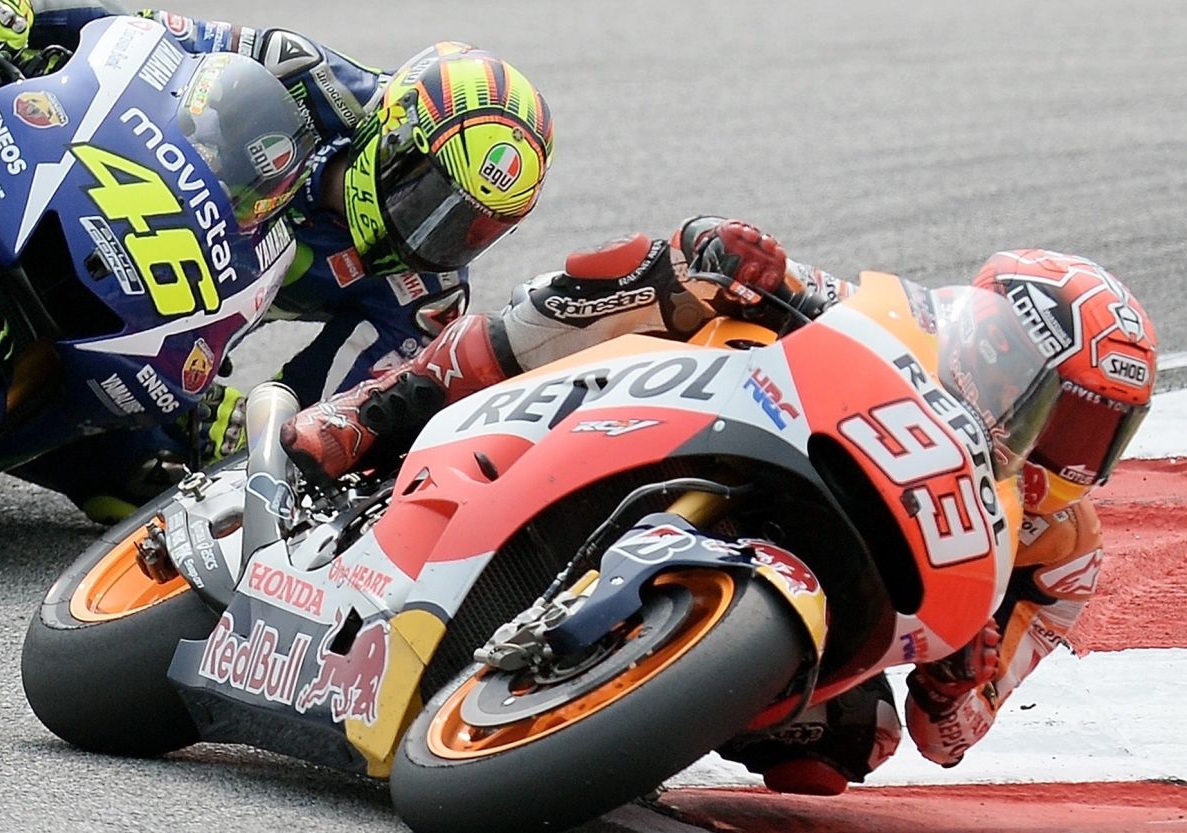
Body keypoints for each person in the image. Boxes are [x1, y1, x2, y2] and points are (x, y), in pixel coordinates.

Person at [281, 217, 1158, 794]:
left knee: (843, 753)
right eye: (1050, 405)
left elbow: (952, 736)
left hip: (838, 608)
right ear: (992, 345)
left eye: (1093, 433)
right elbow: (740, 258)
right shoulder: (900, 333)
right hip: (705, 430)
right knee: (663, 269)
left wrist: (962, 669)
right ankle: (383, 405)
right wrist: (725, 252)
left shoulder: (1061, 556)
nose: (1060, 448)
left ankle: (612, 702)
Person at [0, 0, 555, 521]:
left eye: (469, 228)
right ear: (391, 135)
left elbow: (355, 410)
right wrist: (25, 20)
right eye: (425, 193)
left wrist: (258, 427)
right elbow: (140, 41)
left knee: (147, 491)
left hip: (161, 327)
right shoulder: (306, 76)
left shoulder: (421, 298)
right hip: (103, 190)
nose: (434, 230)